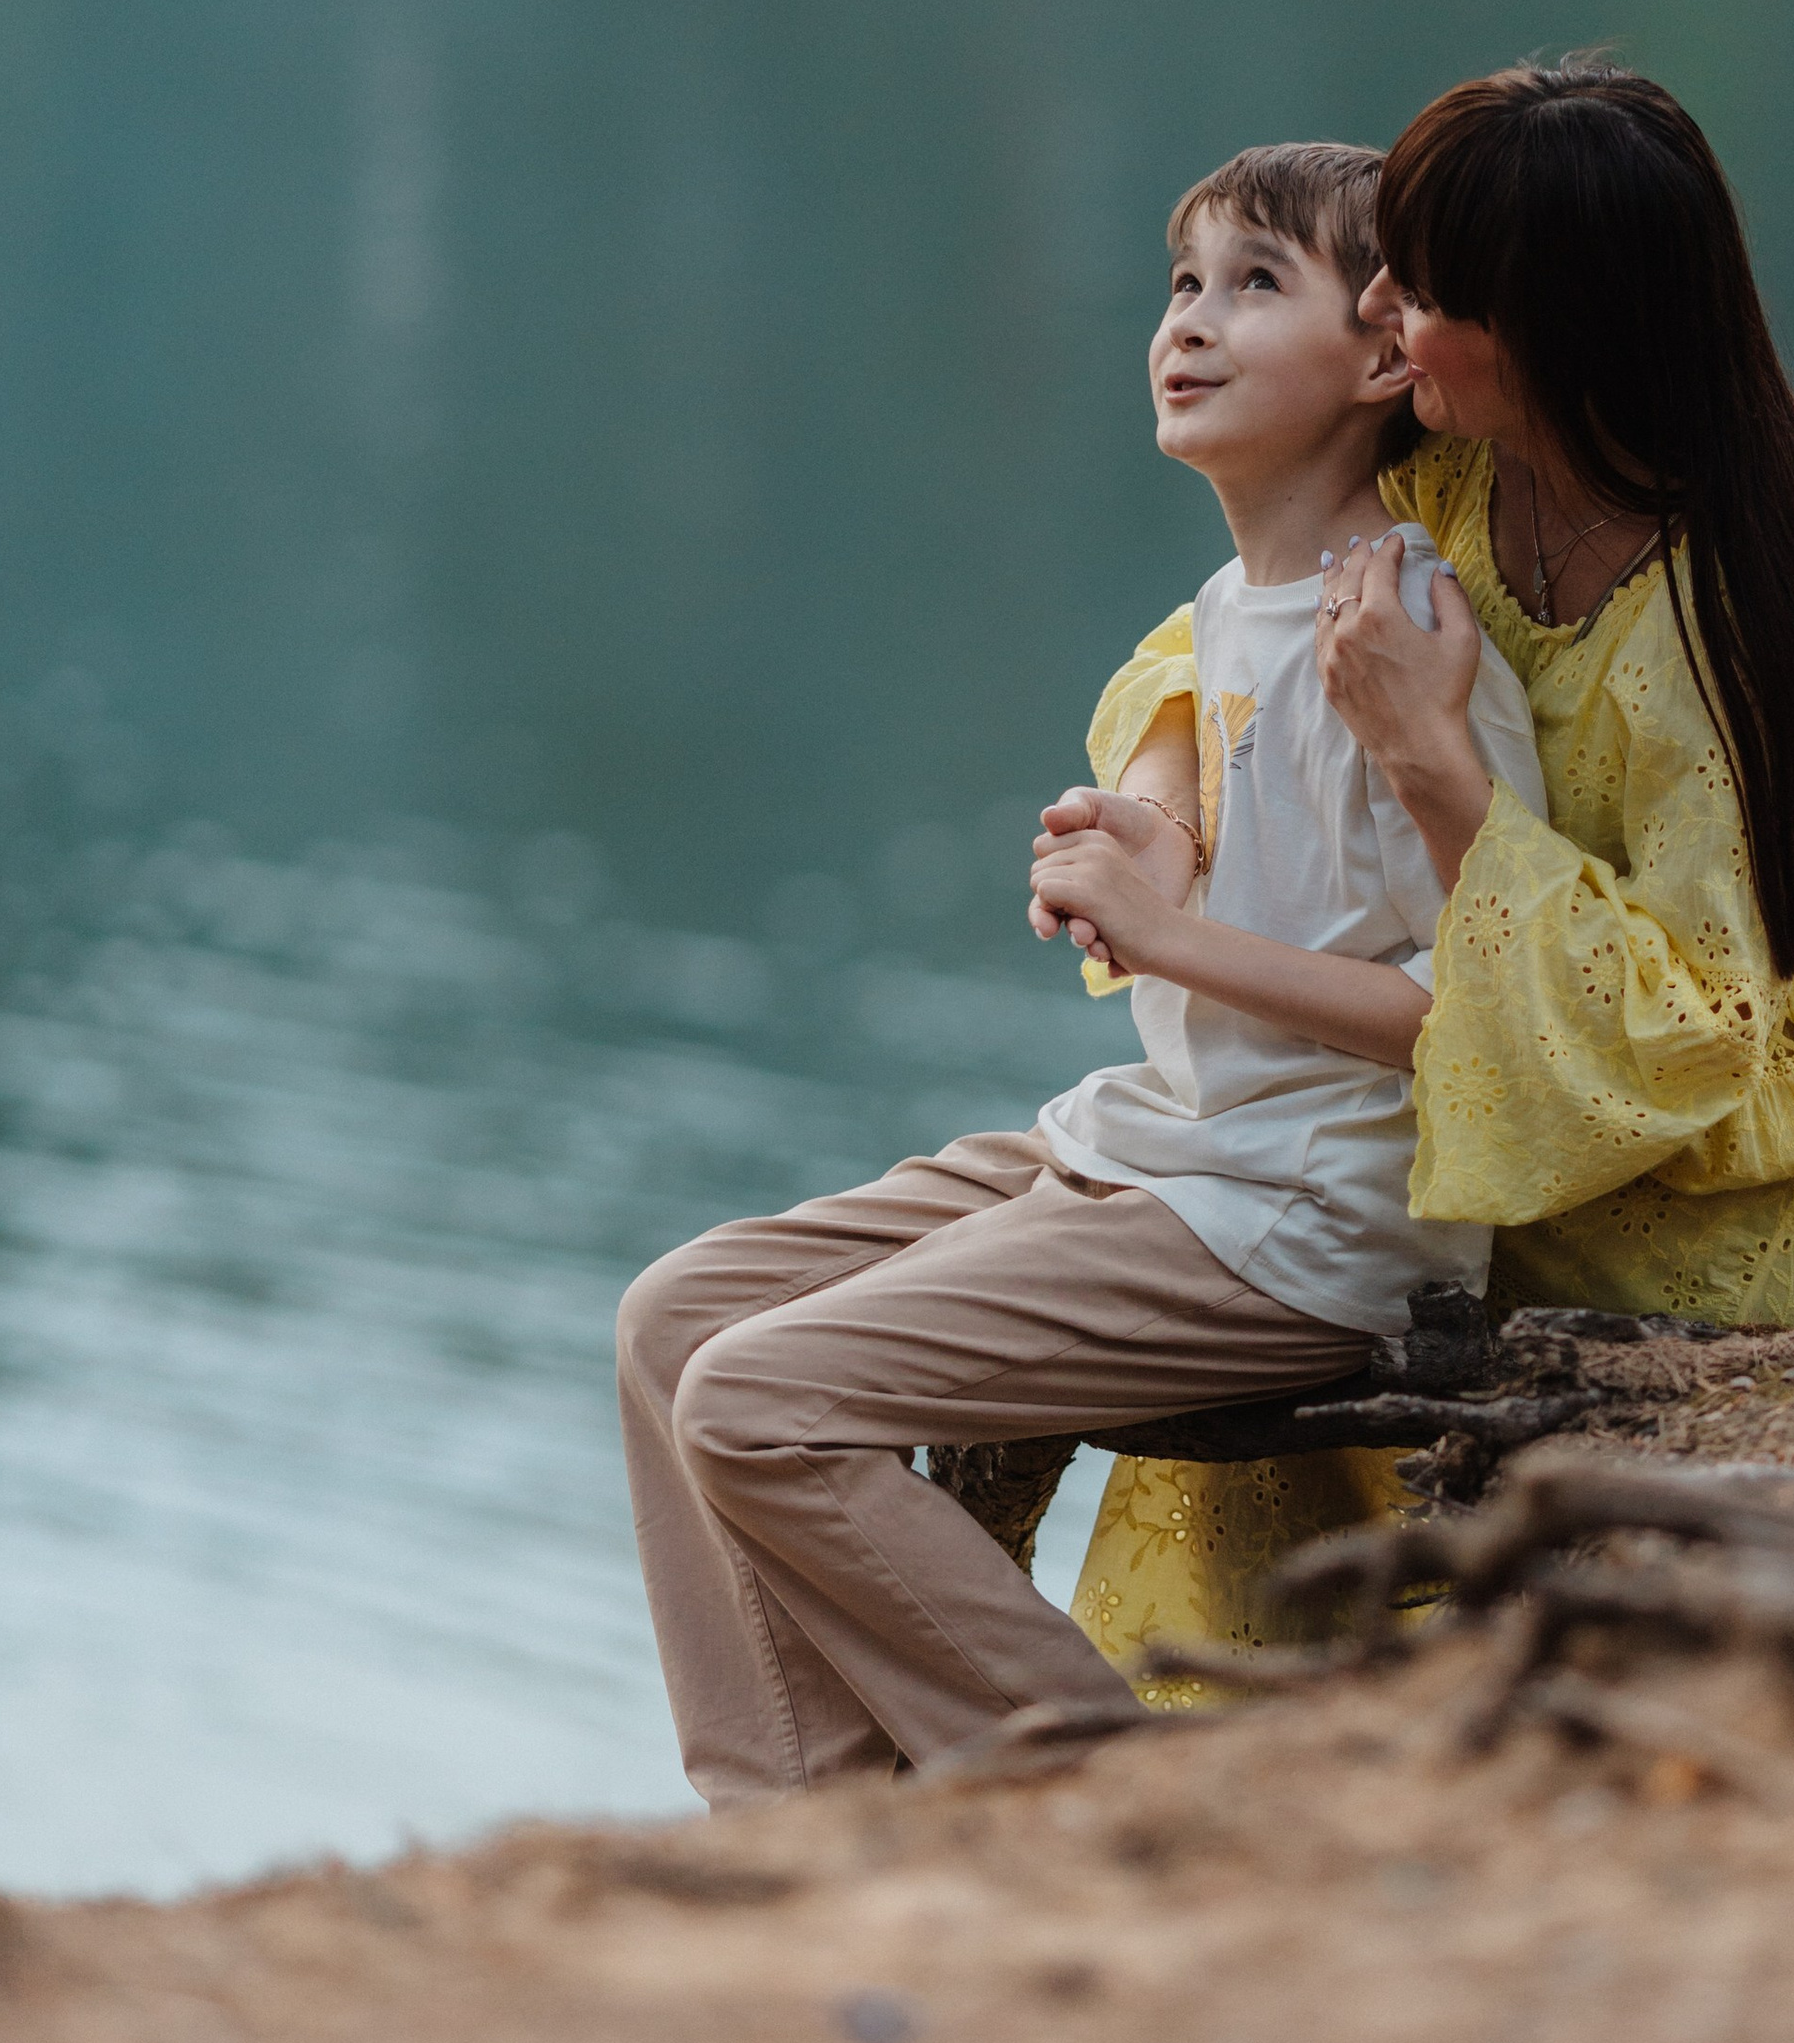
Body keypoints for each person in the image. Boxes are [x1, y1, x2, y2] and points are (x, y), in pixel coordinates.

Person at [617, 143, 1543, 1798]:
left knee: (760, 1403)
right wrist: (1153, 842)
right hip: (1169, 1147)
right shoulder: (1235, 610)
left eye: (1256, 285)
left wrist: (1174, 933)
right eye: (1183, 282)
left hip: (1304, 1215)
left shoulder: (1406, 637)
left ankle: (1102, 1805)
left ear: (1383, 359)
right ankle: (804, 1828)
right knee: (678, 1321)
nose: (1189, 322)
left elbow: (1475, 1022)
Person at [1086, 64, 1794, 1339]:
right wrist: (1163, 815)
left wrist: (1428, 757)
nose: (1379, 308)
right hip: (1488, 1196)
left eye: (1423, 292)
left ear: (1546, 331)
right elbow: (1219, 642)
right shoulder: (1457, 473)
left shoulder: (1766, 600)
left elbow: (1684, 1034)